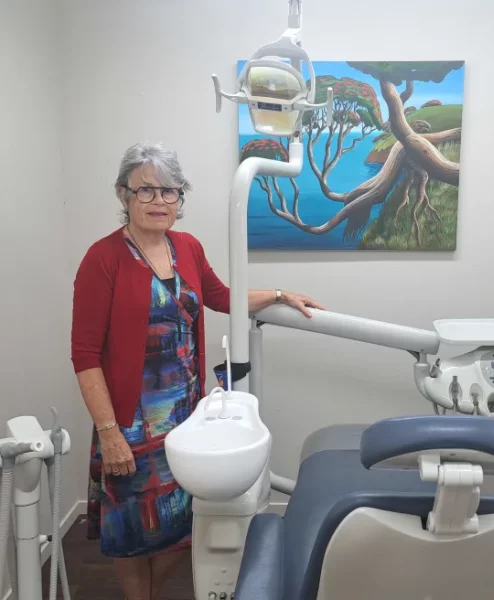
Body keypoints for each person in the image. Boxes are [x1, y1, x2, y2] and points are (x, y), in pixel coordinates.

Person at [70, 142, 323, 600]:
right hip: (129, 419)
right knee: (131, 531)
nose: (159, 201)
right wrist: (109, 432)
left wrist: (282, 295)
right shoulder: (102, 259)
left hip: (187, 417)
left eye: (169, 191)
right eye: (145, 190)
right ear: (123, 195)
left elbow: (223, 296)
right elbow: (85, 353)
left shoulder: (186, 247)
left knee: (180, 522)